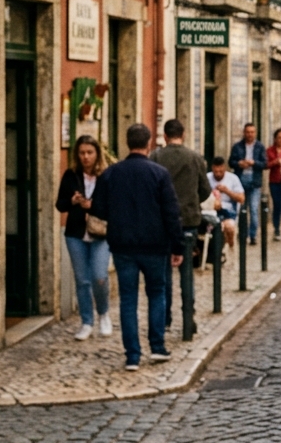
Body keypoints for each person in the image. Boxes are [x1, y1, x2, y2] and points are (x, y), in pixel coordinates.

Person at [90, 123, 185, 371]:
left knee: (128, 299)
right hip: (155, 246)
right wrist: (178, 247)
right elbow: (171, 213)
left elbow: (98, 209)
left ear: (127, 143)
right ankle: (157, 347)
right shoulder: (160, 174)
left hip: (123, 246)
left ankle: (132, 356)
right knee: (156, 294)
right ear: (149, 142)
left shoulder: (111, 174)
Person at [150, 119, 211, 329]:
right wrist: (191, 202)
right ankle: (188, 317)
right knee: (187, 272)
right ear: (182, 135)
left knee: (163, 272)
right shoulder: (195, 158)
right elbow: (205, 190)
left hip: (162, 222)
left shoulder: (156, 157)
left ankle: (164, 318)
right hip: (188, 221)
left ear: (165, 136)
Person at [54, 135, 112, 341]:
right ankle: (86, 322)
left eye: (89, 152)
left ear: (97, 154)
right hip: (75, 234)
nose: (86, 157)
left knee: (99, 276)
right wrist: (72, 201)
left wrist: (93, 205)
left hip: (101, 234)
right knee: (82, 280)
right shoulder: (71, 175)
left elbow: (114, 205)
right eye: (82, 153)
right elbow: (60, 205)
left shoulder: (106, 175)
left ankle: (104, 313)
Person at [231, 123, 267, 244]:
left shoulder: (260, 147)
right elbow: (231, 161)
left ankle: (253, 235)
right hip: (240, 180)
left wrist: (253, 163)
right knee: (241, 209)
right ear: (244, 133)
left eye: (252, 132)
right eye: (248, 132)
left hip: (254, 181)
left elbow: (264, 164)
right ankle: (243, 234)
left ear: (255, 133)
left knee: (254, 209)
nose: (250, 134)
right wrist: (239, 163)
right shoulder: (237, 146)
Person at [207, 156, 245, 249]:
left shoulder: (233, 178)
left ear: (224, 168)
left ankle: (229, 246)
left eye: (221, 172)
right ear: (212, 169)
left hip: (228, 210)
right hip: (211, 210)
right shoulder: (207, 177)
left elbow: (241, 198)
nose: (218, 174)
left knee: (229, 227)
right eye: (216, 172)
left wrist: (227, 191)